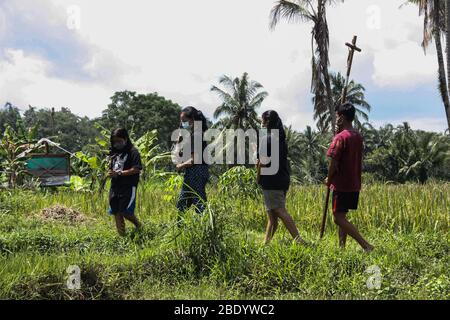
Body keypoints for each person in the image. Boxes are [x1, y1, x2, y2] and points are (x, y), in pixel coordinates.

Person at [325, 103, 374, 252]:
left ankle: (366, 245)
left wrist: (329, 178)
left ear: (342, 117)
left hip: (341, 184)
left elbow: (334, 161)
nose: (336, 119)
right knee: (343, 217)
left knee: (337, 218)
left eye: (338, 116)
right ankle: (342, 249)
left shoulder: (340, 137)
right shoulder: (357, 136)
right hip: (354, 183)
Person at [258, 110, 307, 245]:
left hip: (271, 180)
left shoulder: (267, 140)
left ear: (267, 122)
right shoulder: (279, 138)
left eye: (263, 120)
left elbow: (261, 160)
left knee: (279, 210)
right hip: (282, 178)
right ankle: (265, 244)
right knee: (272, 217)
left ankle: (298, 240)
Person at [107, 128, 142, 236]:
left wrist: (119, 173)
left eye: (119, 141)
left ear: (125, 139)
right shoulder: (114, 152)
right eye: (114, 141)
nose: (116, 144)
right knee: (116, 211)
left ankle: (139, 226)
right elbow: (113, 167)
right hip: (115, 186)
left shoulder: (133, 152)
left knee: (125, 211)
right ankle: (122, 236)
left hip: (128, 186)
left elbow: (136, 169)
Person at [175, 106, 210, 214]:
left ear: (193, 119)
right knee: (184, 203)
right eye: (181, 121)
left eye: (184, 120)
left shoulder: (197, 135)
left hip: (196, 172)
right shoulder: (194, 134)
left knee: (197, 202)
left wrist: (181, 166)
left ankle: (205, 227)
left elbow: (194, 159)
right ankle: (182, 228)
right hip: (195, 172)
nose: (182, 123)